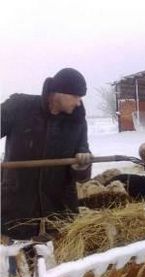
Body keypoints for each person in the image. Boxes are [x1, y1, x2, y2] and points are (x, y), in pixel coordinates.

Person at [1, 68, 92, 240]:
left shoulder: (77, 122)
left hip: (59, 212)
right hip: (17, 209)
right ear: (60, 92)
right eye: (76, 96)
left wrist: (82, 165)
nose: (79, 103)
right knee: (18, 262)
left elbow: (81, 172)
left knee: (61, 265)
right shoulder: (20, 107)